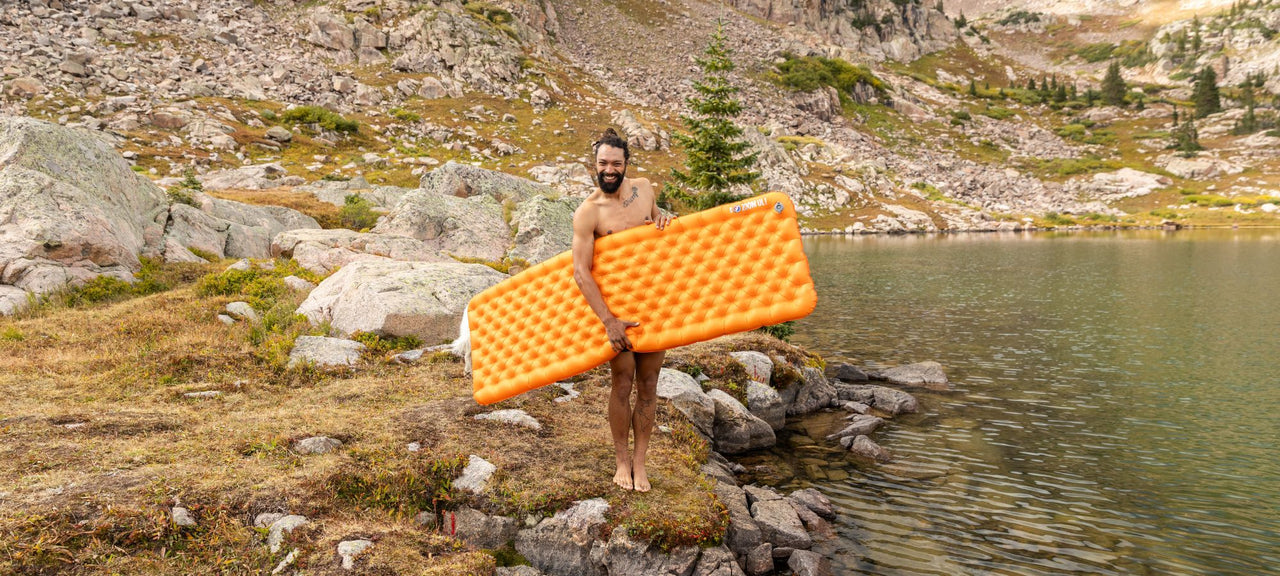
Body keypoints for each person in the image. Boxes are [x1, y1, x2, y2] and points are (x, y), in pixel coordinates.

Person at [571, 128, 673, 492]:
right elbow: (581, 273)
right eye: (603, 163)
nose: (609, 169)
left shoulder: (644, 188)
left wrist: (662, 220)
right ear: (594, 166)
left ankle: (641, 463)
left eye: (616, 163)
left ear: (626, 164)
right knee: (623, 382)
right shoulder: (588, 213)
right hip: (615, 309)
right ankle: (621, 462)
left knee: (649, 384)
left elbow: (658, 222)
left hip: (652, 302)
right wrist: (608, 320)